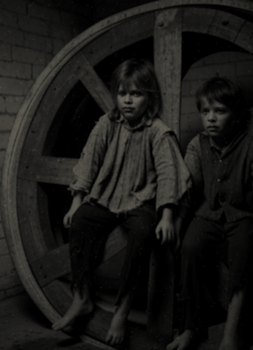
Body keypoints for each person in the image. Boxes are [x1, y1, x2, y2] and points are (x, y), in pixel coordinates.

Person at [52, 58, 191, 346]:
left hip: (141, 202)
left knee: (142, 234)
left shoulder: (158, 132)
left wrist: (166, 215)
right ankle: (82, 297)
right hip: (106, 198)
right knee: (80, 222)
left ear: (149, 97)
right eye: (122, 93)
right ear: (116, 95)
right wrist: (77, 201)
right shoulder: (106, 124)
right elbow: (89, 161)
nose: (128, 100)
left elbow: (168, 174)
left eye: (136, 94)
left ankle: (122, 311)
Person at [168, 77, 253, 350]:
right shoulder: (197, 147)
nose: (211, 118)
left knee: (243, 258)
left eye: (220, 111)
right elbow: (188, 188)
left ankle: (230, 335)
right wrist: (177, 219)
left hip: (243, 217)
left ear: (236, 116)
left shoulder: (252, 148)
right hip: (207, 215)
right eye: (205, 112)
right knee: (189, 249)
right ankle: (190, 328)